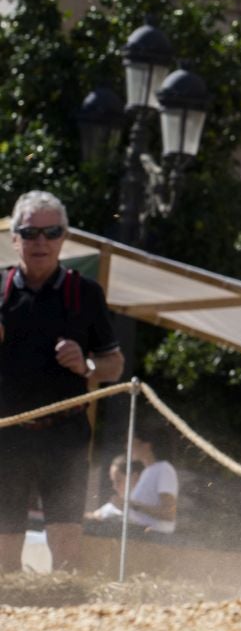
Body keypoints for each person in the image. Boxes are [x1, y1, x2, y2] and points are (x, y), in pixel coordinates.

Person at [1, 192, 125, 572]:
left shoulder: (84, 293)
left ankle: (65, 618)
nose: (41, 242)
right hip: (6, 436)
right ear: (14, 238)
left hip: (64, 434)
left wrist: (86, 364)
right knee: (4, 550)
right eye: (30, 232)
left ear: (64, 237)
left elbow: (114, 365)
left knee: (67, 545)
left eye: (51, 232)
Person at [124, 431, 179, 535]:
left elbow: (169, 513)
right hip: (141, 535)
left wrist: (134, 506)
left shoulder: (164, 469)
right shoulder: (147, 471)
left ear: (146, 445)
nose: (126, 446)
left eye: (131, 442)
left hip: (155, 538)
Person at [85, 455, 143, 528]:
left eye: (118, 481)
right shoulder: (116, 504)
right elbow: (95, 517)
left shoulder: (153, 503)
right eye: (113, 481)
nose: (114, 487)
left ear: (135, 477)